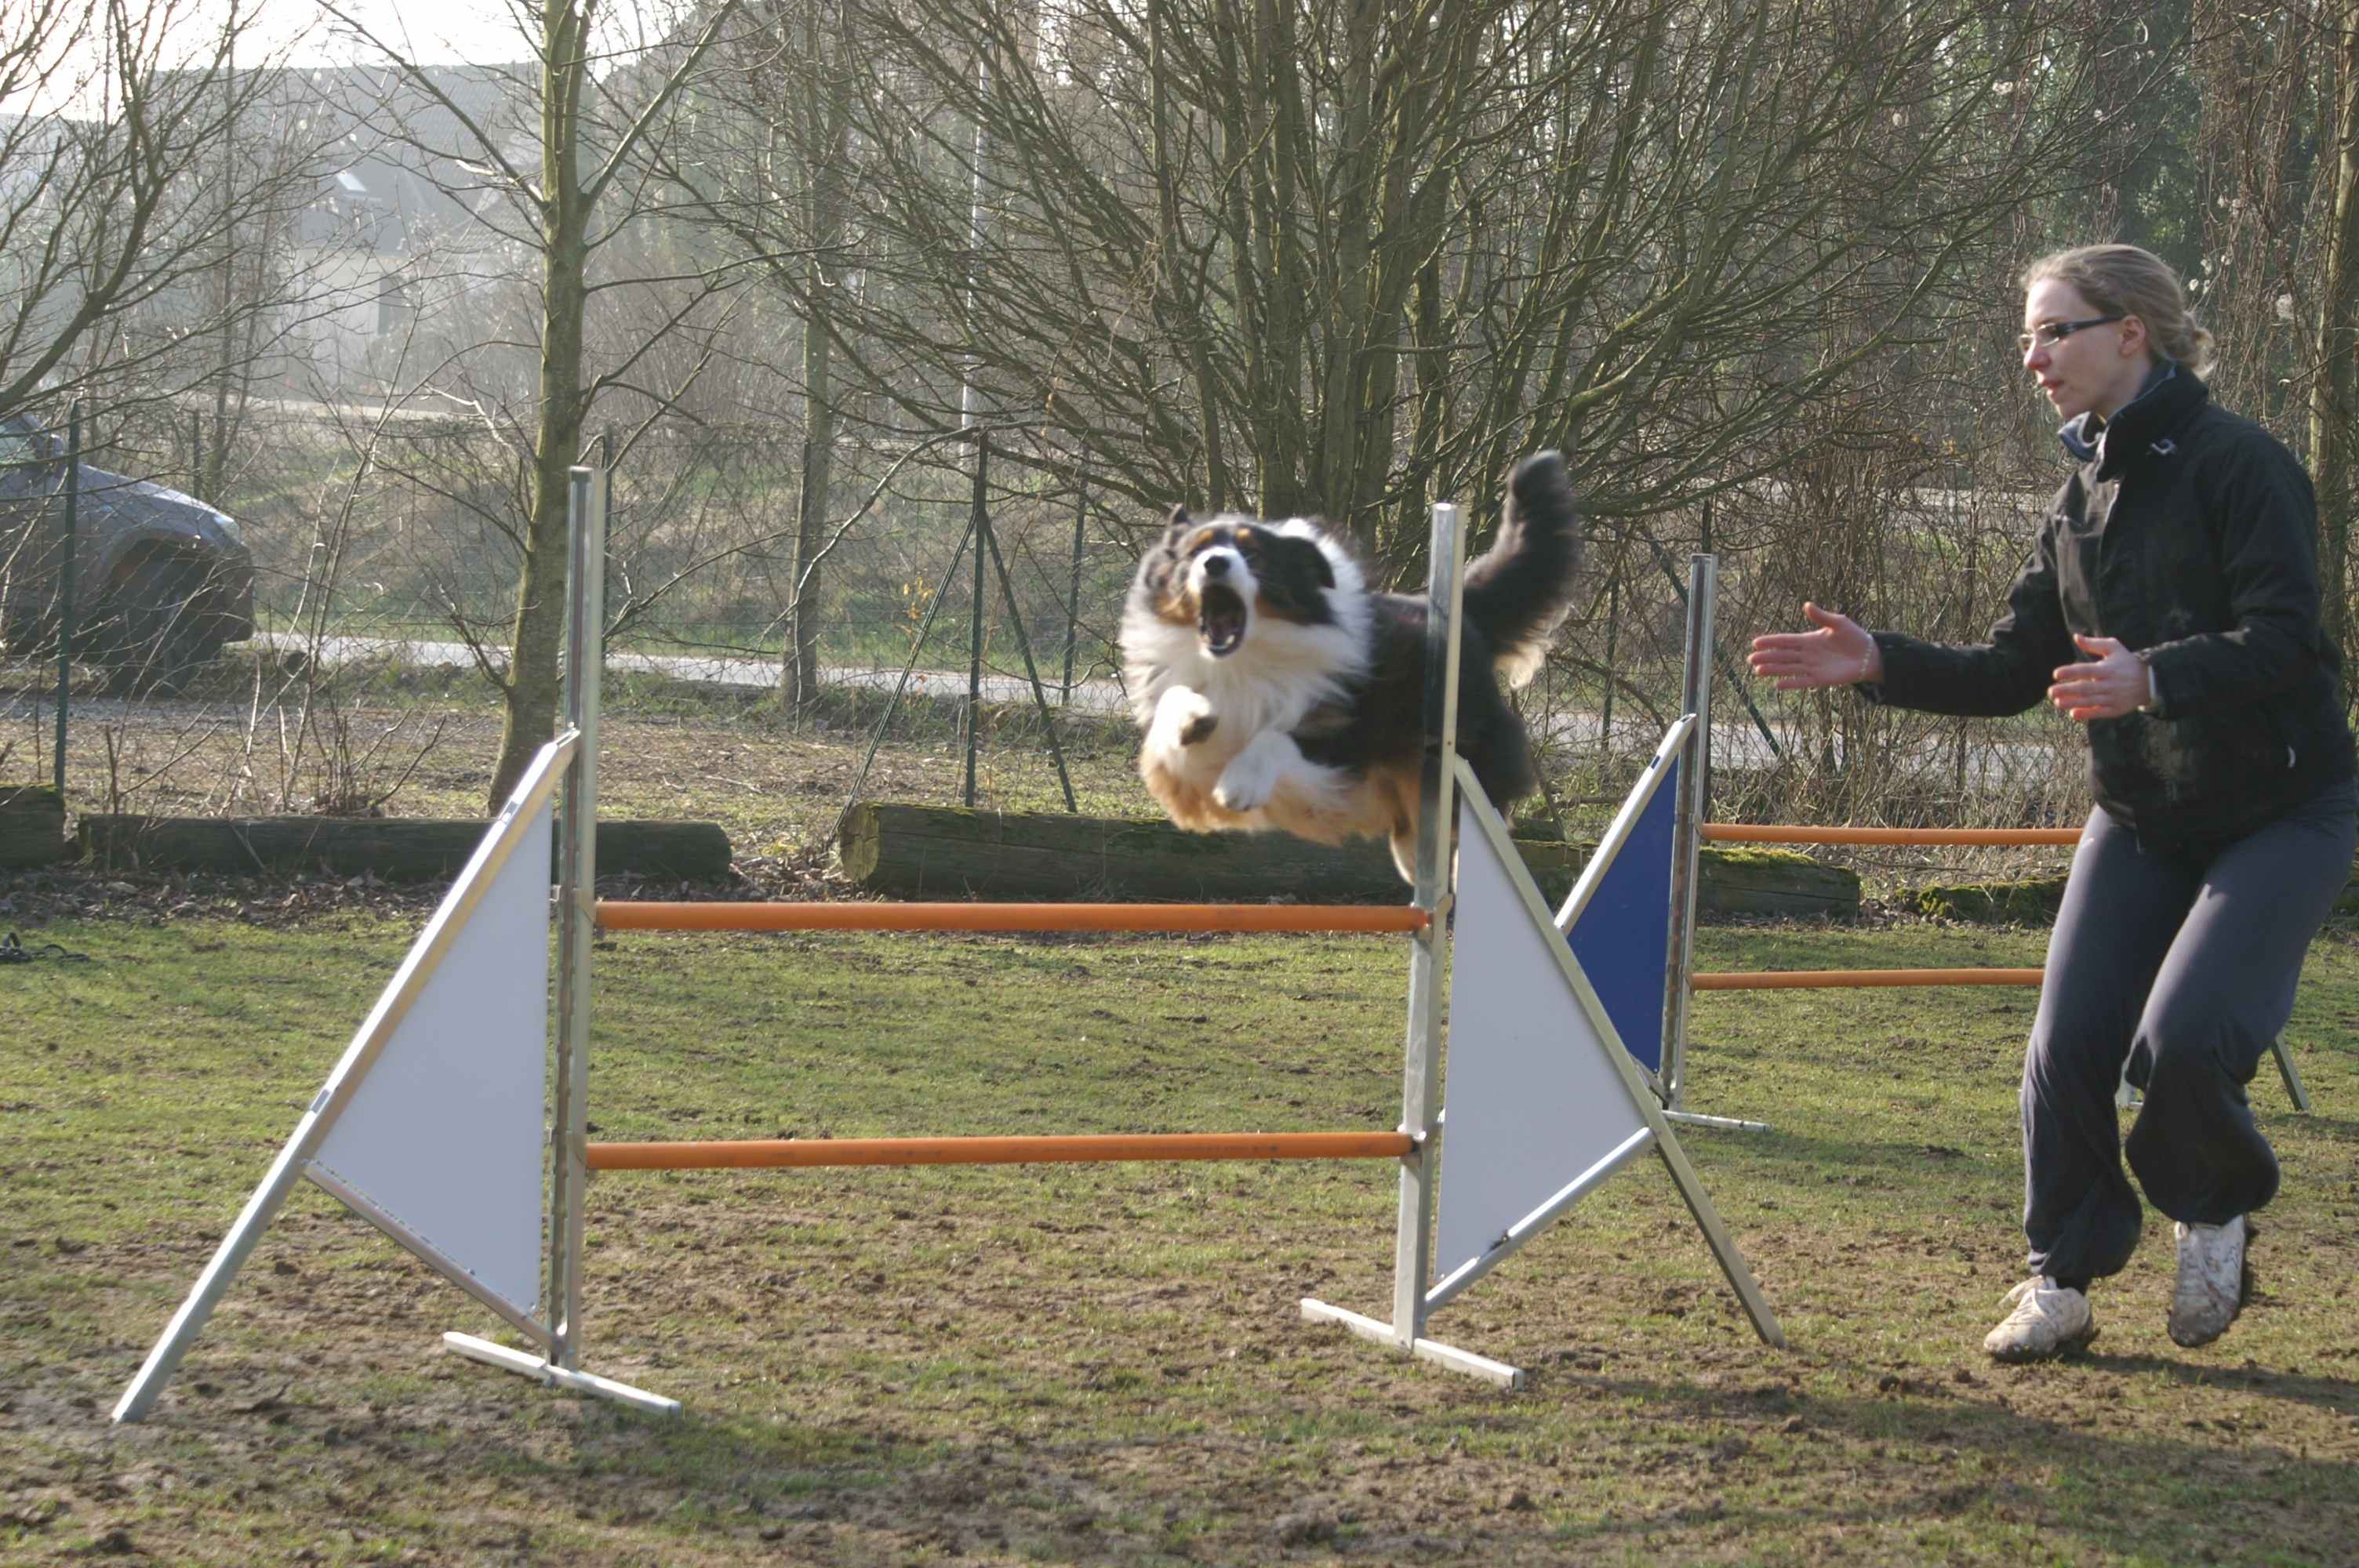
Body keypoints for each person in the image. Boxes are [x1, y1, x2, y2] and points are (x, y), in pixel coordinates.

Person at [1747, 243, 2358, 1363]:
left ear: (2132, 334)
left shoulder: (2244, 465)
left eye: (2053, 331)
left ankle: (2213, 1209)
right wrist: (1880, 660)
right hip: (2142, 815)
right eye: (2025, 337)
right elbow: (2010, 671)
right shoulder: (2077, 498)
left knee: (2184, 1043)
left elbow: (2285, 639)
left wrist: (2153, 677)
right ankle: (2061, 1281)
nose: (2033, 358)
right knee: (2066, 1050)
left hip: (2285, 809)